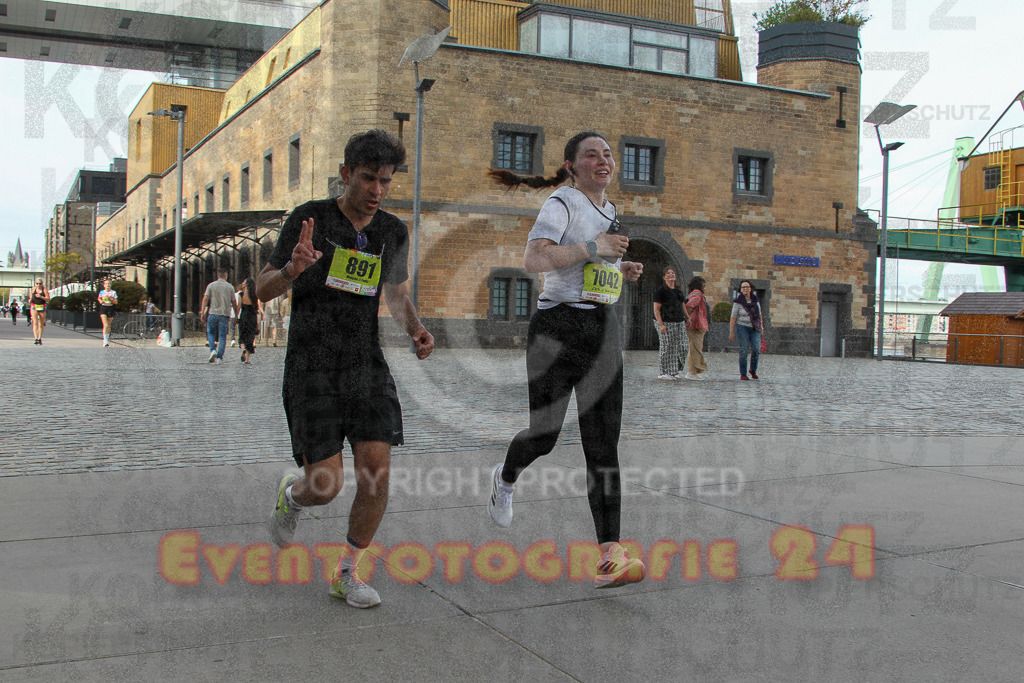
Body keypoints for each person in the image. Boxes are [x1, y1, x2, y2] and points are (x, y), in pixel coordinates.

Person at [256, 129, 434, 609]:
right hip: (312, 362)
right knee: (326, 485)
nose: (377, 190)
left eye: (386, 182)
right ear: (346, 175)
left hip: (364, 361)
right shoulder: (308, 218)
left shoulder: (392, 231)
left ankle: (347, 573)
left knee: (376, 473)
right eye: (368, 179)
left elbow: (394, 292)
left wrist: (416, 329)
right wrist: (292, 269)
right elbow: (261, 289)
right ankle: (292, 497)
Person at [485, 131, 646, 589]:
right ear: (572, 165)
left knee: (603, 445)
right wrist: (595, 248)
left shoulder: (610, 211)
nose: (604, 160)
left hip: (600, 328)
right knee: (545, 434)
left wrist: (620, 268)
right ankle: (506, 475)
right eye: (592, 154)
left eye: (608, 154)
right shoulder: (562, 202)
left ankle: (610, 552)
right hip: (555, 330)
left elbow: (593, 268)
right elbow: (535, 258)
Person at [653, 267, 687, 380]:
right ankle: (663, 372)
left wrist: (688, 317)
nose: (671, 274)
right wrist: (661, 324)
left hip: (679, 321)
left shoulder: (678, 291)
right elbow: (656, 309)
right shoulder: (661, 291)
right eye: (668, 273)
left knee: (683, 346)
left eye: (673, 272)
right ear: (664, 277)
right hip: (666, 322)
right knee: (667, 346)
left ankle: (675, 371)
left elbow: (682, 305)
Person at [200, 267, 239, 364]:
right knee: (222, 336)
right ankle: (219, 358)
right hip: (224, 314)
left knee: (210, 333)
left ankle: (213, 349)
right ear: (226, 275)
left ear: (217, 275)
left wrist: (202, 312)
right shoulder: (230, 287)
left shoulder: (211, 286)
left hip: (213, 312)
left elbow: (205, 299)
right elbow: (234, 303)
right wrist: (236, 315)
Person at [729, 280, 764, 380]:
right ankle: (743, 373)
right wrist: (731, 332)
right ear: (740, 290)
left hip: (755, 327)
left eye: (747, 287)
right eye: (743, 287)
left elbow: (760, 315)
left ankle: (753, 370)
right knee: (744, 350)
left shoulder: (756, 300)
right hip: (742, 327)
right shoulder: (738, 302)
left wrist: (762, 327)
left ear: (750, 289)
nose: (745, 289)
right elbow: (733, 317)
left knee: (756, 349)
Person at [683, 276, 710, 380]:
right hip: (696, 325)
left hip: (695, 325)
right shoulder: (698, 294)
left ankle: (694, 371)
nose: (705, 287)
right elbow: (689, 306)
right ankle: (692, 372)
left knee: (694, 348)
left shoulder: (693, 293)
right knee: (695, 349)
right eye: (703, 285)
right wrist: (688, 317)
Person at [237, 277, 262, 363]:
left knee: (242, 335)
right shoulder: (255, 295)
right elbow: (258, 307)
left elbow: (239, 307)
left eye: (244, 282)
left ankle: (243, 349)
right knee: (250, 337)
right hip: (252, 317)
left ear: (246, 284)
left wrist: (236, 316)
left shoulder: (241, 294)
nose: (242, 283)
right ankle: (247, 359)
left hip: (244, 316)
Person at [29, 278, 50, 345]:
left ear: (42, 284)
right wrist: (29, 300)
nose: (38, 285)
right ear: (35, 284)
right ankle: (35, 338)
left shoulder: (44, 290)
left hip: (42, 306)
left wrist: (41, 297)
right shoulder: (33, 289)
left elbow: (48, 299)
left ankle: (39, 338)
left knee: (41, 323)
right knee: (35, 322)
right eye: (37, 283)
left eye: (40, 283)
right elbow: (30, 297)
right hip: (34, 306)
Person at [97, 280, 118, 346]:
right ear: (104, 285)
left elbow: (116, 302)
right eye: (106, 283)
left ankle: (107, 339)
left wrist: (111, 299)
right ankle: (105, 341)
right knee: (105, 324)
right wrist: (101, 301)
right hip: (104, 308)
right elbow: (99, 298)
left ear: (111, 285)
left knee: (108, 325)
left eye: (109, 283)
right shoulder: (102, 292)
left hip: (110, 308)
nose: (107, 285)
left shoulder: (113, 292)